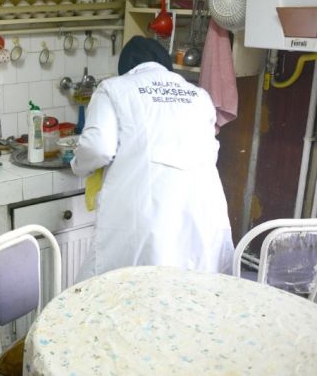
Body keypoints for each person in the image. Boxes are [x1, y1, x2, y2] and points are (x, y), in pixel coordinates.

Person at [71, 36, 235, 281]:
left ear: (126, 67)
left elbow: (98, 148)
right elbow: (210, 150)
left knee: (124, 290)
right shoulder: (199, 95)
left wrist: (77, 165)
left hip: (146, 214)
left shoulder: (114, 88)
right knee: (194, 290)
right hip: (202, 212)